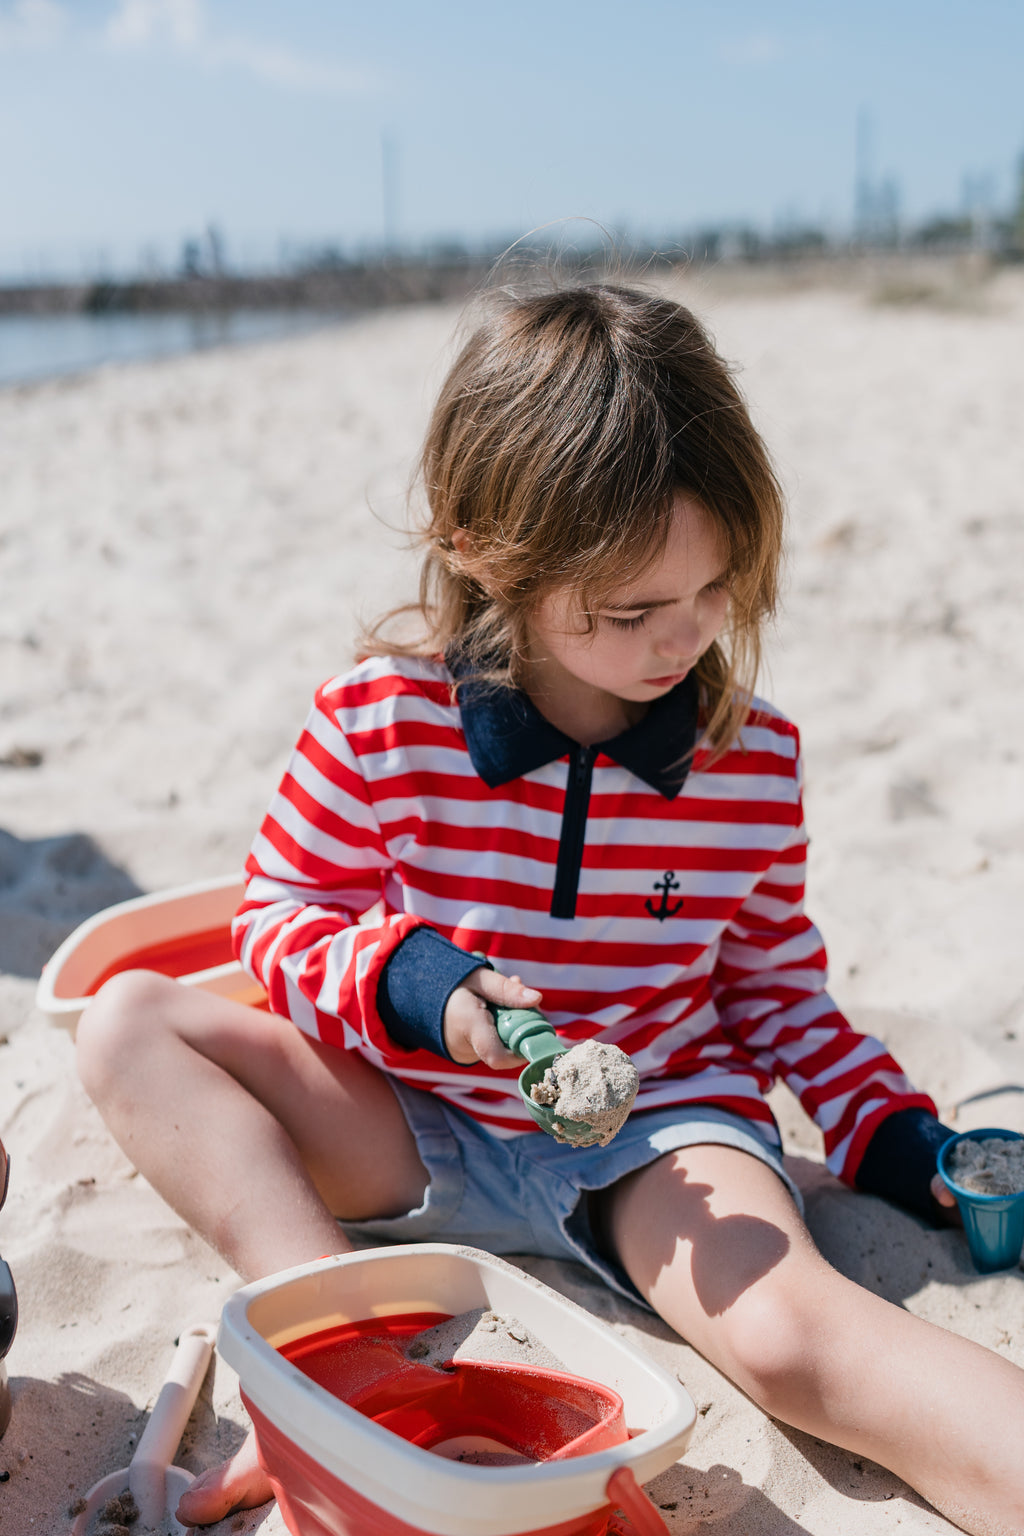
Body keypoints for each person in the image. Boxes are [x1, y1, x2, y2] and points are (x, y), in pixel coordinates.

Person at [76, 283, 1024, 1535]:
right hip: (416, 1117)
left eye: (717, 590)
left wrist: (899, 1148)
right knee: (127, 1022)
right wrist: (417, 984)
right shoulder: (376, 720)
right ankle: (339, 1352)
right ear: (482, 545)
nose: (684, 640)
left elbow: (778, 992)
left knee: (800, 1343)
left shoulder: (750, 760)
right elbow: (280, 919)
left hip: (655, 1132)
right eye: (632, 611)